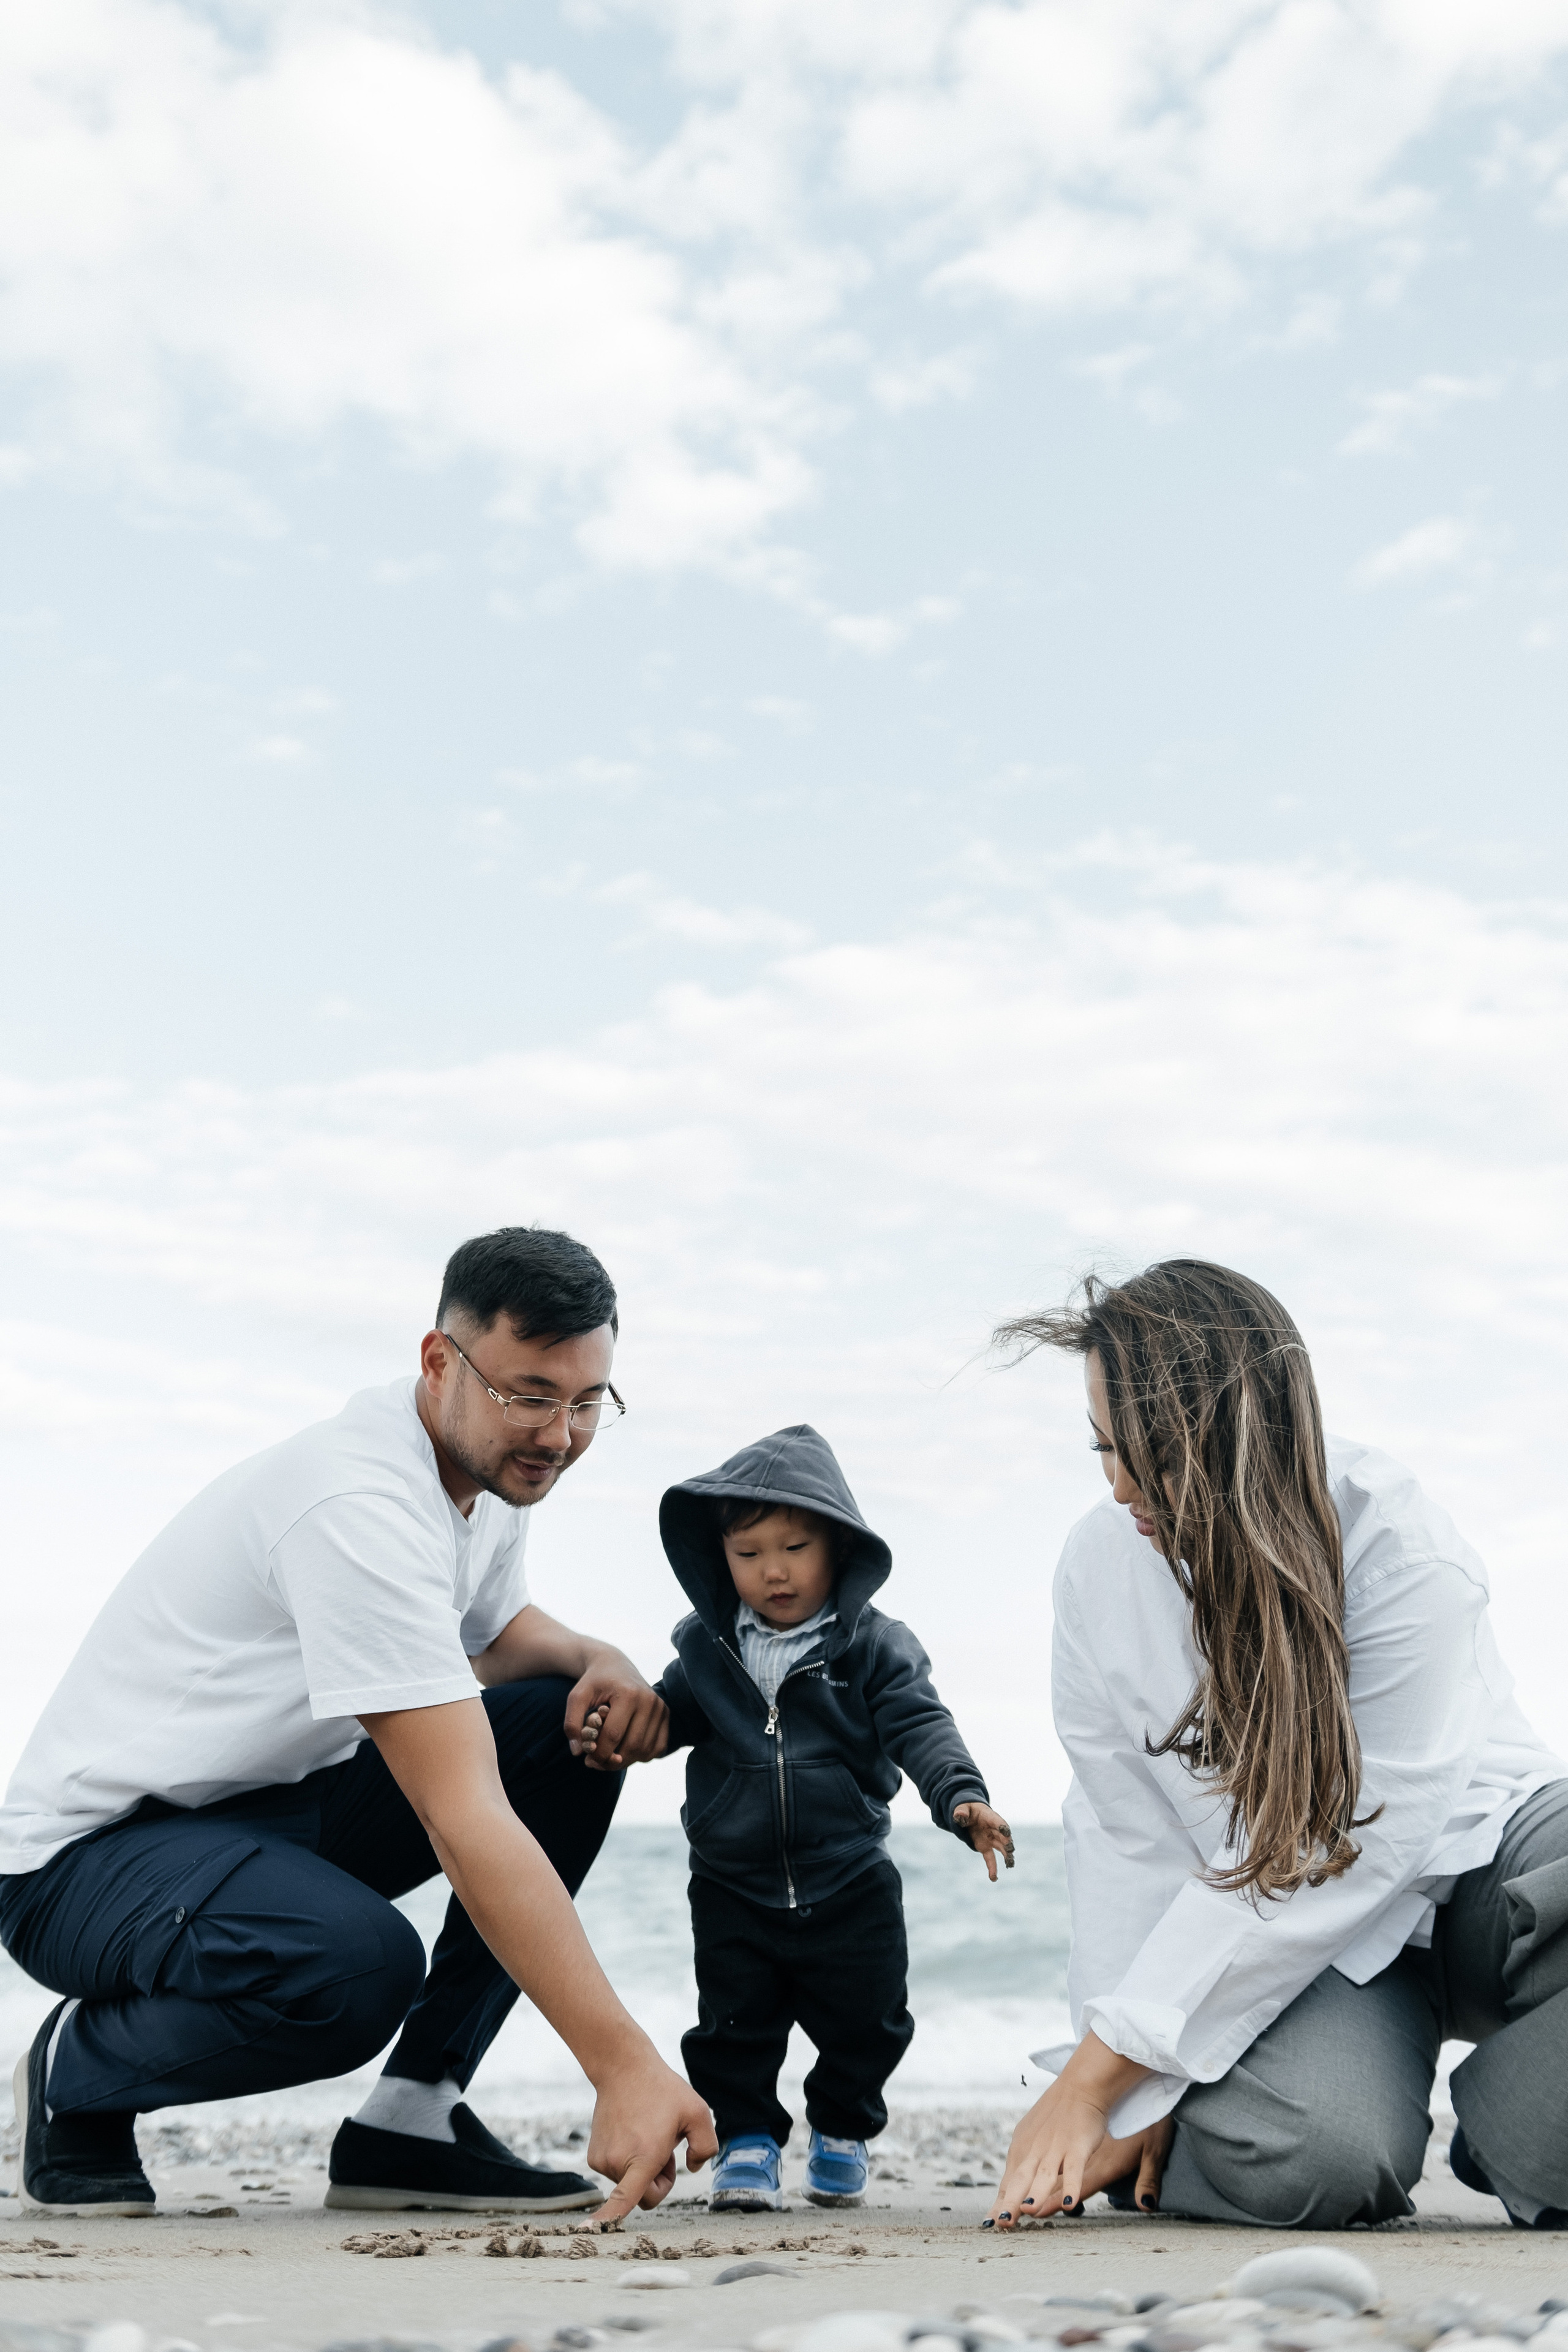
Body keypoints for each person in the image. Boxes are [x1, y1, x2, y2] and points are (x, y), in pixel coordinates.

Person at [1, 1226, 715, 2223]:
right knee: (358, 1967)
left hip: (266, 1813)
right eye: (530, 1396)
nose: (558, 1436)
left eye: (587, 1402)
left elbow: (492, 1629)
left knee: (565, 1733)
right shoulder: (356, 1501)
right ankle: (76, 2073)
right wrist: (623, 2063)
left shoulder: (484, 1466)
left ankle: (412, 2119)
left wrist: (599, 1659)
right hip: (85, 1866)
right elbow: (463, 1816)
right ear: (440, 1362)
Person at [985, 1259, 1567, 2234]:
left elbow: (1352, 1840)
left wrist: (1101, 2075)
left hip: (1474, 1867)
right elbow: (1126, 1842)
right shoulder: (1098, 1570)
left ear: (1247, 1435)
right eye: (1103, 1449)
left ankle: (1525, 2132)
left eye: (1152, 1456)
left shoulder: (1396, 1545)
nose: (1121, 1487)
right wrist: (1130, 2086)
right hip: (1306, 1961)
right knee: (1320, 2161)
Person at [598, 1423, 1012, 2212]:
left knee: (872, 2022)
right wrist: (621, 1734)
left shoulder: (873, 1647)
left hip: (850, 1873)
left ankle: (842, 2130)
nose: (774, 1571)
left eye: (795, 1548)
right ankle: (748, 2142)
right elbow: (664, 1719)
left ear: (839, 1548)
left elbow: (920, 1723)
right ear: (721, 1556)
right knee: (732, 2029)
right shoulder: (708, 1650)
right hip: (731, 1881)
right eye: (749, 1553)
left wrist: (961, 1796)